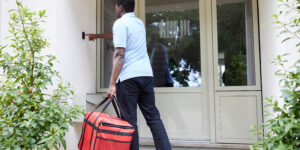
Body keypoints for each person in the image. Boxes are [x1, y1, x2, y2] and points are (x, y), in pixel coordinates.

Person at [85, 0, 172, 149]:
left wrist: (112, 84)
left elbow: (120, 54)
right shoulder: (139, 23)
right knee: (153, 118)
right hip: (146, 76)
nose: (115, 8)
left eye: (116, 6)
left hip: (128, 78)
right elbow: (118, 36)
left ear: (121, 7)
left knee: (129, 122)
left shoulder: (120, 23)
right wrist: (98, 35)